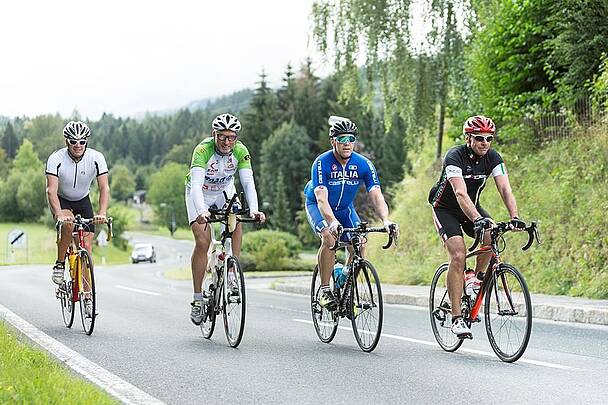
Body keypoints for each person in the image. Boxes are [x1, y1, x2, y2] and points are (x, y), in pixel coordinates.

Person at [428, 115, 526, 338]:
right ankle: (456, 319)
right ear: (468, 138)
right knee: (458, 255)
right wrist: (476, 219)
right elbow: (460, 193)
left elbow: (505, 189)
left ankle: (476, 280)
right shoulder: (455, 156)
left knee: (491, 234)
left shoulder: (493, 158)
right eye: (479, 138)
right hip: (445, 208)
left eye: (489, 138)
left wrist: (515, 216)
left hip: (471, 207)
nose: (485, 143)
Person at [303, 116, 398, 311]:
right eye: (342, 139)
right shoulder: (322, 163)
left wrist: (386, 220)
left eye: (351, 139)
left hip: (345, 209)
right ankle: (325, 289)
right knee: (329, 238)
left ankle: (346, 280)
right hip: (319, 206)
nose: (347, 144)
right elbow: (321, 199)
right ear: (333, 141)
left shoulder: (363, 164)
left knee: (360, 241)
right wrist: (331, 221)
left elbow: (377, 195)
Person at [185, 113, 266, 325]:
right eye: (222, 137)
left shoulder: (240, 151)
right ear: (214, 134)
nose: (227, 142)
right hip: (200, 193)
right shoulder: (202, 150)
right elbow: (195, 185)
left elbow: (248, 183)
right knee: (202, 242)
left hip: (223, 191)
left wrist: (255, 210)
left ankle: (231, 272)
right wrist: (202, 211)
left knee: (236, 220)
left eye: (231, 137)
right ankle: (197, 299)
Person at [46, 121, 110, 285]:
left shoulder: (96, 158)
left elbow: (104, 188)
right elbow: (51, 190)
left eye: (82, 141)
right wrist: (59, 214)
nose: (78, 145)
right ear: (67, 141)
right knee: (68, 225)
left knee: (86, 248)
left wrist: (102, 213)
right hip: (62, 200)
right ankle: (60, 264)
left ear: (86, 141)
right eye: (73, 141)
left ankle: (88, 296)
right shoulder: (56, 158)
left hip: (83, 200)